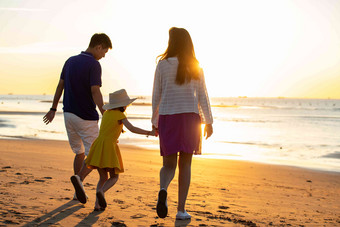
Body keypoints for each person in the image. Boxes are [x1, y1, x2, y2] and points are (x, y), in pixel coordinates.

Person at [152, 27, 213, 220]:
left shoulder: (162, 65)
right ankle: (181, 210)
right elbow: (203, 96)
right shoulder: (196, 66)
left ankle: (163, 189)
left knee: (168, 165)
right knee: (185, 165)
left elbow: (156, 96)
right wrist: (208, 121)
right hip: (189, 120)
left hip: (168, 117)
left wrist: (155, 121)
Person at [42, 33, 112, 200]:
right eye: (104, 52)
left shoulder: (70, 61)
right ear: (99, 46)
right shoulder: (94, 65)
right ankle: (79, 178)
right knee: (96, 154)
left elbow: (60, 86)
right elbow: (95, 90)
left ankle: (76, 192)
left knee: (79, 152)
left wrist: (53, 108)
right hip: (85, 117)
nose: (103, 56)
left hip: (68, 115)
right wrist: (105, 113)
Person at [70, 89, 156, 211]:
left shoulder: (106, 114)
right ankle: (101, 191)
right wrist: (150, 133)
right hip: (109, 148)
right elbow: (132, 128)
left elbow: (108, 130)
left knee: (103, 177)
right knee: (114, 177)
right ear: (123, 105)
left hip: (98, 146)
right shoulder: (121, 115)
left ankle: (97, 204)